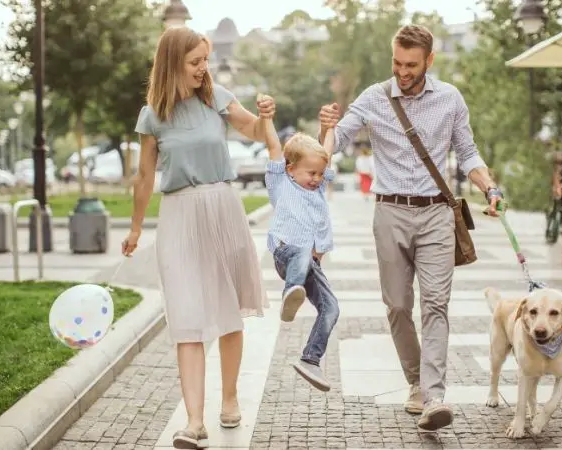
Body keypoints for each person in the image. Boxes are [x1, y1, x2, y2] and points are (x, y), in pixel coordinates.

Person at [318, 24, 504, 433]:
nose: (403, 72)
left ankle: (434, 396)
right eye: (397, 63)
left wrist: (490, 187)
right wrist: (325, 131)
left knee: (435, 304)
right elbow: (336, 141)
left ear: (429, 61)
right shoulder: (373, 97)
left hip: (437, 213)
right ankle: (416, 381)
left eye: (411, 65)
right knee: (399, 306)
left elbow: (468, 152)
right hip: (390, 212)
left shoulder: (450, 98)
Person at [121, 27, 274, 449]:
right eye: (195, 61)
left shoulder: (217, 98)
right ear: (173, 63)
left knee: (228, 309)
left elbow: (257, 133)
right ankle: (193, 421)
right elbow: (144, 177)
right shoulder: (153, 114)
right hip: (179, 215)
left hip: (222, 207)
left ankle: (229, 398)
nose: (203, 68)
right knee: (186, 316)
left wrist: (265, 114)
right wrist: (135, 228)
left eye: (205, 59)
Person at [260, 99, 340, 392]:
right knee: (303, 248)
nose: (317, 180)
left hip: (309, 262)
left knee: (331, 308)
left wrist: (329, 127)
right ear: (290, 168)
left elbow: (326, 153)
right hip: (287, 253)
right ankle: (290, 292)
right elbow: (272, 146)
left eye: (321, 174)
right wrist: (266, 117)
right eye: (311, 174)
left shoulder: (318, 186)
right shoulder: (281, 182)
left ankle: (310, 359)